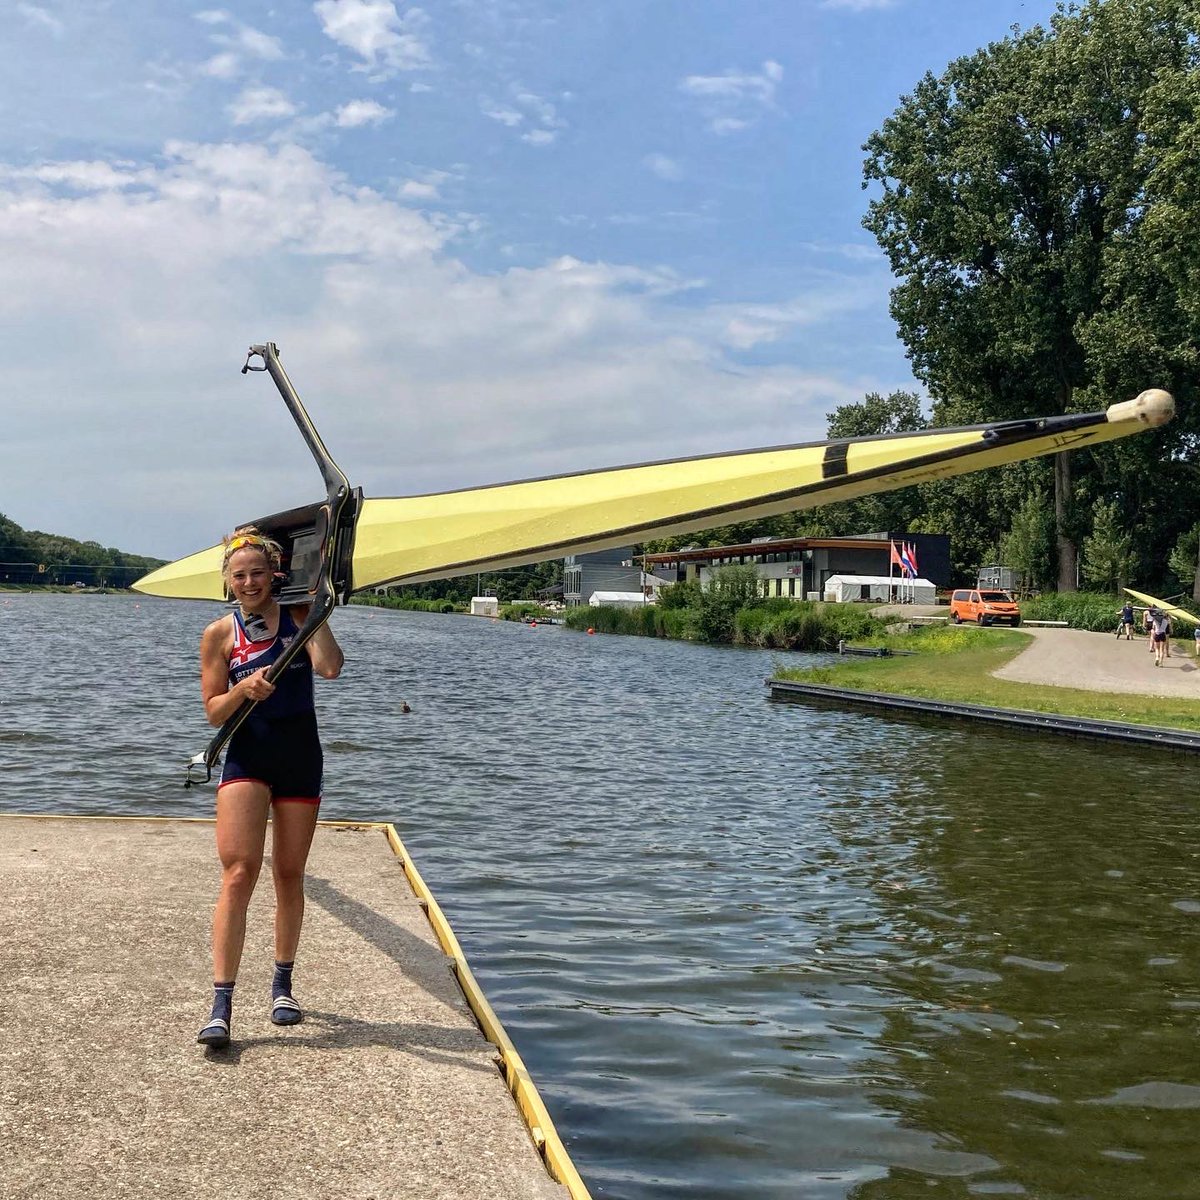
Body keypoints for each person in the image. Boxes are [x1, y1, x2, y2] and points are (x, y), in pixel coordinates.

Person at [196, 528, 344, 1049]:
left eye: (258, 572)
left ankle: (282, 985)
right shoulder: (220, 634)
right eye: (239, 575)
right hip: (248, 754)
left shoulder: (302, 618)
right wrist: (242, 687)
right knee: (239, 872)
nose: (249, 582)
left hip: (301, 757)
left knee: (288, 873)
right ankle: (221, 1006)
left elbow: (330, 668)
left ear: (274, 574)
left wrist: (314, 611)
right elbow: (214, 709)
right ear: (228, 581)